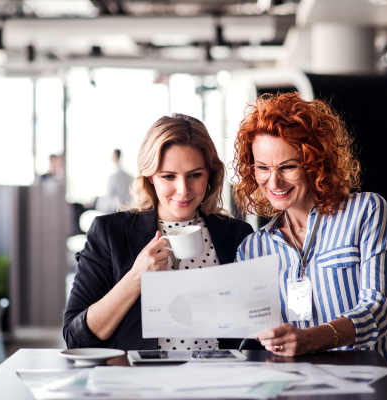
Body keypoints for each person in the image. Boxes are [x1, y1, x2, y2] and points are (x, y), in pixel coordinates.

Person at [232, 93, 387, 368]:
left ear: (314, 162)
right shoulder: (253, 249)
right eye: (262, 167)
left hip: (366, 383)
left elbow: (378, 310)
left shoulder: (366, 211)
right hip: (295, 386)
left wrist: (311, 339)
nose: (273, 181)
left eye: (287, 167)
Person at [63, 114, 254, 350]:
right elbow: (75, 338)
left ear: (210, 175)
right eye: (168, 176)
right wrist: (136, 276)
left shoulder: (237, 235)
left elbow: (253, 329)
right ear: (150, 177)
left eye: (195, 175)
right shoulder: (110, 234)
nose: (183, 190)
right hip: (140, 382)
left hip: (218, 380)